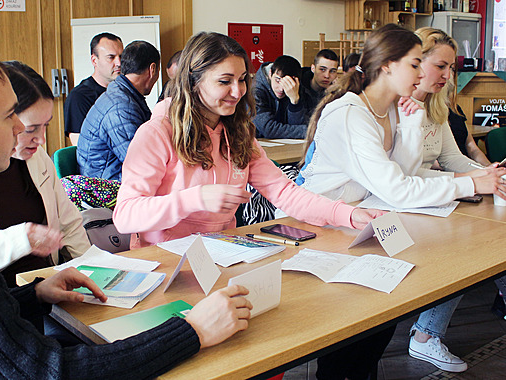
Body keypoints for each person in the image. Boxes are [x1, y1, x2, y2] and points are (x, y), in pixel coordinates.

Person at [0, 44, 254, 379]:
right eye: (11, 117)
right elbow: (42, 370)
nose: (18, 130)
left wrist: (35, 296)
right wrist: (192, 331)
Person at [295, 23, 506, 377]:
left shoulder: (395, 109)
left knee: (374, 332)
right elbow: (399, 189)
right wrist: (471, 184)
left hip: (359, 222)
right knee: (351, 342)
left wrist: (412, 127)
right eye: (416, 63)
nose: (424, 72)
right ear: (388, 65)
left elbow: (403, 178)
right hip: (321, 228)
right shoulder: (350, 113)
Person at [111, 31, 382, 249]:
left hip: (220, 251)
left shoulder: (237, 132)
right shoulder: (157, 133)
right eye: (224, 81)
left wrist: (348, 214)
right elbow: (125, 215)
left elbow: (284, 192)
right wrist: (195, 199)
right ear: (194, 82)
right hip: (165, 259)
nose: (237, 91)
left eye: (242, 80)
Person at [405, 27, 506, 373]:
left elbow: (452, 159)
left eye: (451, 68)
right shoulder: (394, 108)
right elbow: (404, 179)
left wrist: (488, 170)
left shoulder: (435, 107)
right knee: (470, 247)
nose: (448, 76)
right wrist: (475, 179)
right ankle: (424, 336)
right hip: (404, 205)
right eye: (441, 67)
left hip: (434, 198)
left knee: (496, 240)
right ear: (415, 63)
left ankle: (426, 334)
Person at [0, 61, 90, 287]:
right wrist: (21, 238)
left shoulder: (38, 158)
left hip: (48, 286)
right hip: (2, 294)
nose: (41, 139)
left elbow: (70, 224)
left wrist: (93, 272)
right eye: (30, 129)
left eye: (45, 125)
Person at [77, 40, 160, 180]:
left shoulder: (123, 95)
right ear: (152, 69)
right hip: (105, 188)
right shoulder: (121, 107)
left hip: (110, 175)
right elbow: (140, 163)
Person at [64, 32, 123, 146]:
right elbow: (81, 147)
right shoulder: (79, 97)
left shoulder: (123, 92)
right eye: (111, 57)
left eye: (121, 56)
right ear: (94, 60)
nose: (119, 63)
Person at [253, 55, 310, 139]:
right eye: (278, 80)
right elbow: (269, 130)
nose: (281, 89)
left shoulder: (294, 88)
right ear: (270, 74)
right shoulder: (255, 90)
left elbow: (297, 126)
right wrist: (308, 131)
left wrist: (294, 101)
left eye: (287, 83)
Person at [301, 49, 339, 116]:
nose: (327, 76)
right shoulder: (298, 88)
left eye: (332, 71)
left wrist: (335, 94)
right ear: (313, 68)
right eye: (322, 69)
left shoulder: (336, 93)